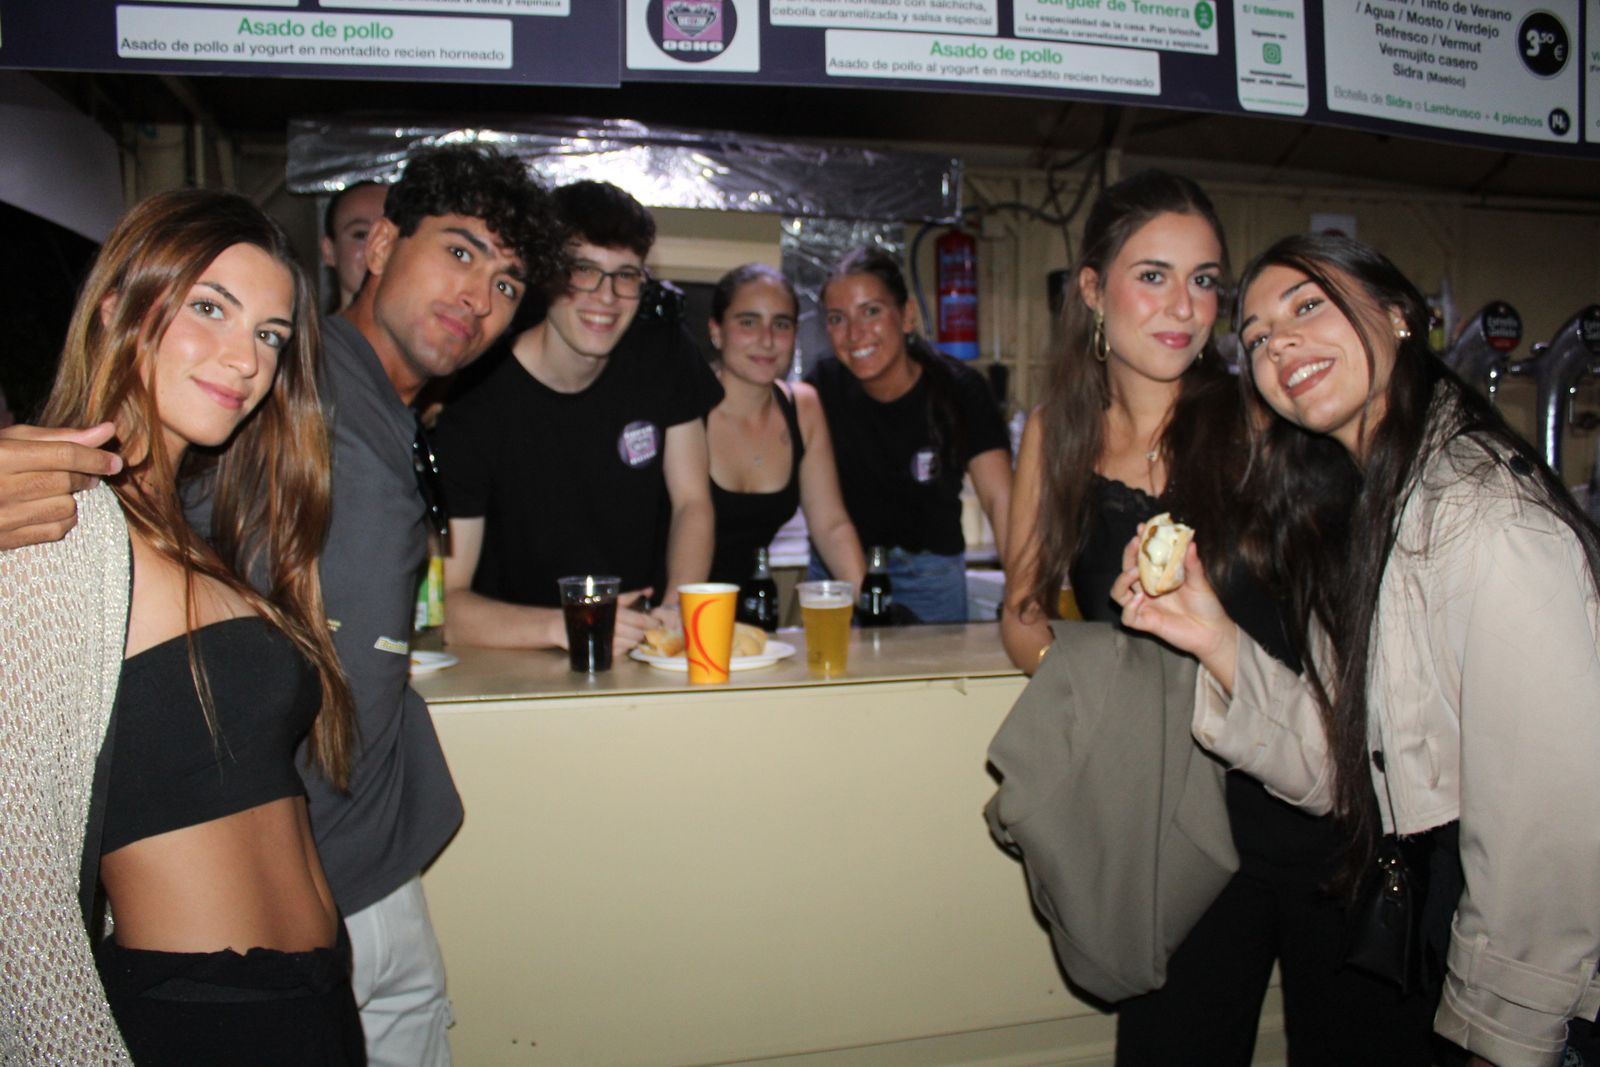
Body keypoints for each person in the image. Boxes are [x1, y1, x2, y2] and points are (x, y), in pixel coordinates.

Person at [1114, 233, 1600, 1067]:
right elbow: (1353, 771)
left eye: (1309, 305)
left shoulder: (1487, 519)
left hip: (1522, 993)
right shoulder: (1376, 504)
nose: (1280, 344)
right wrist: (1212, 636)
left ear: (1401, 317)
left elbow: (1548, 837)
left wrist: (1504, 1039)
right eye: (1259, 336)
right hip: (1448, 945)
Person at [1002, 172, 1436, 1065]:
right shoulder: (1055, 432)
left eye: (1205, 280)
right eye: (1153, 275)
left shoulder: (1265, 414)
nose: (1184, 307)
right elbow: (1023, 615)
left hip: (1322, 807)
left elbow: (1372, 591)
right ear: (1092, 288)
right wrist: (1119, 665)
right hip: (1181, 818)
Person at [1, 189, 360, 1063]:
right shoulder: (57, 525)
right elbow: (21, 881)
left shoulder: (186, 526)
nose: (245, 359)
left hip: (310, 1001)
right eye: (209, 308)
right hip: (198, 1018)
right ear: (121, 306)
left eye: (271, 335)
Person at [433, 180, 722, 654]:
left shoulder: (662, 353)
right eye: (583, 270)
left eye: (626, 275)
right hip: (517, 657)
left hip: (644, 645)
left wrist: (676, 610)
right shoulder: (476, 396)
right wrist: (574, 624)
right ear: (545, 276)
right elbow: (450, 605)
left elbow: (693, 502)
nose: (606, 297)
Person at [806, 246, 1011, 622]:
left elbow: (1000, 500)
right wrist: (864, 596)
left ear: (907, 316)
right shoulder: (820, 390)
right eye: (838, 318)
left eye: (871, 311)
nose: (855, 333)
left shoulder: (960, 389)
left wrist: (1024, 592)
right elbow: (825, 516)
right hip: (840, 572)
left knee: (935, 682)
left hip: (929, 575)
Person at [704, 263, 864, 589]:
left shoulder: (803, 407)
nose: (767, 341)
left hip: (753, 615)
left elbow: (831, 526)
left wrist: (875, 606)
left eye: (781, 324)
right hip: (669, 612)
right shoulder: (685, 406)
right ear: (716, 332)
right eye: (748, 322)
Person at [322, 181, 389, 311]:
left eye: (389, 236)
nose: (377, 247)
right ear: (329, 250)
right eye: (361, 235)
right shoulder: (311, 331)